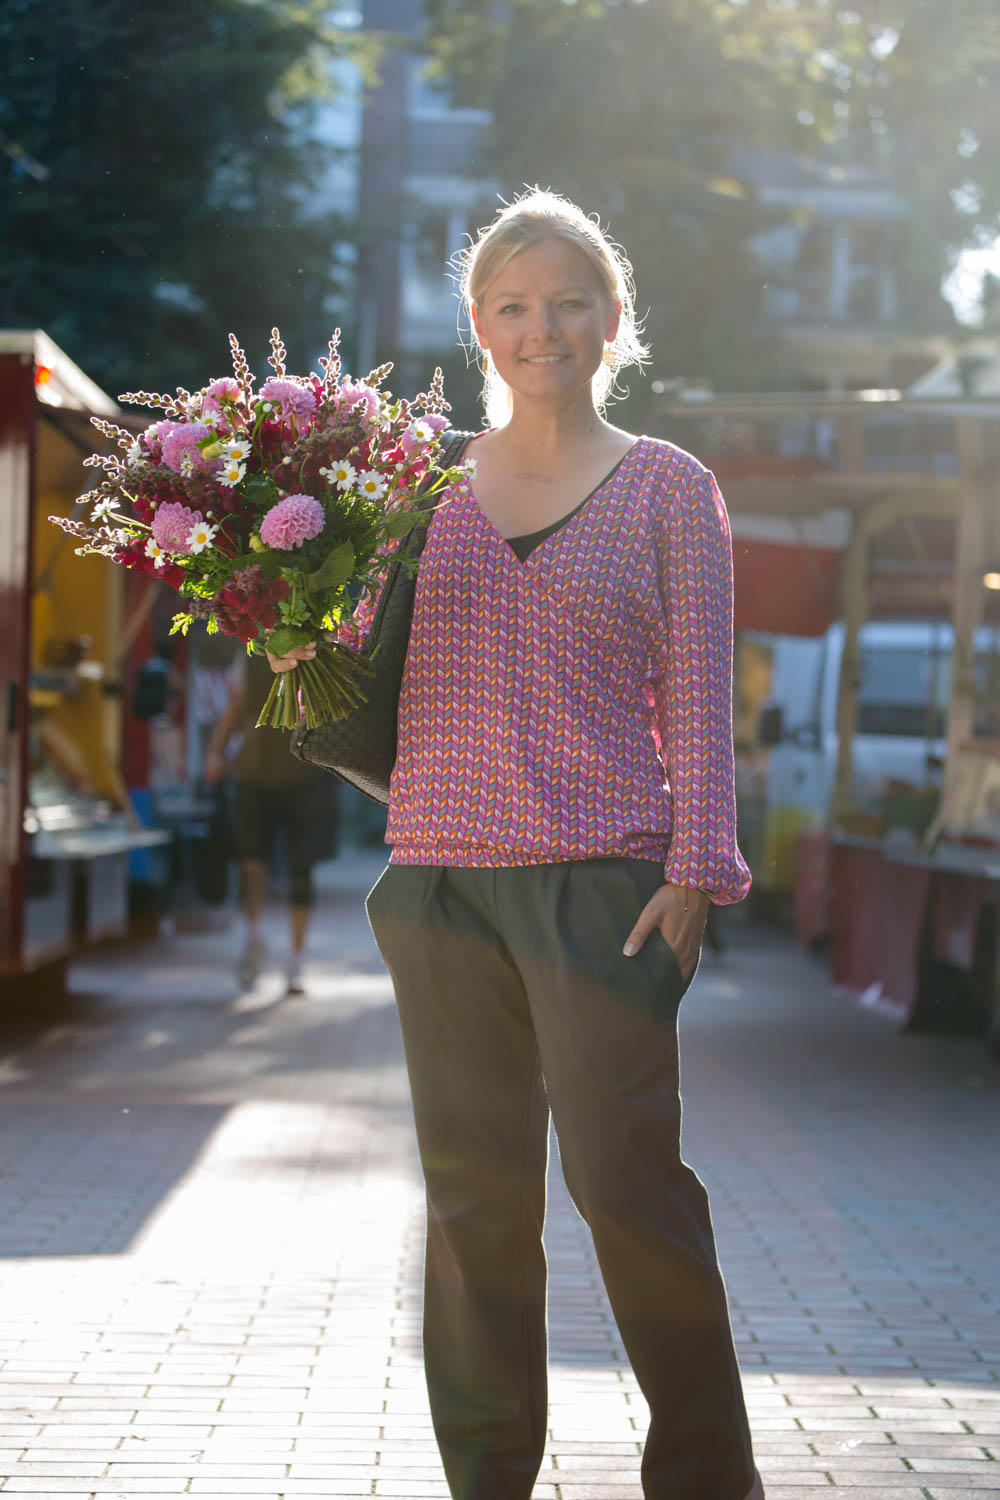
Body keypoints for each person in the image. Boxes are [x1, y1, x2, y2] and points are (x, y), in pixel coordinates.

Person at [268, 190, 763, 1500]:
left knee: (626, 1190)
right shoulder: (417, 486)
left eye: (569, 303)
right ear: (479, 328)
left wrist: (698, 873)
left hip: (606, 888)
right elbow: (344, 670)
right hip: (437, 885)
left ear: (612, 320)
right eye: (513, 306)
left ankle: (708, 1481)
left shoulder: (669, 487)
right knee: (476, 1211)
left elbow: (702, 696)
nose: (542, 328)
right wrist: (287, 631)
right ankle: (487, 1480)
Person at [205, 650, 338, 994]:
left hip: (306, 773)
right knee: (252, 862)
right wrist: (216, 751)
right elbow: (238, 702)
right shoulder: (251, 651)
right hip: (255, 771)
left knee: (300, 871)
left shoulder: (319, 644)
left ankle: (295, 961)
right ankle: (253, 939)